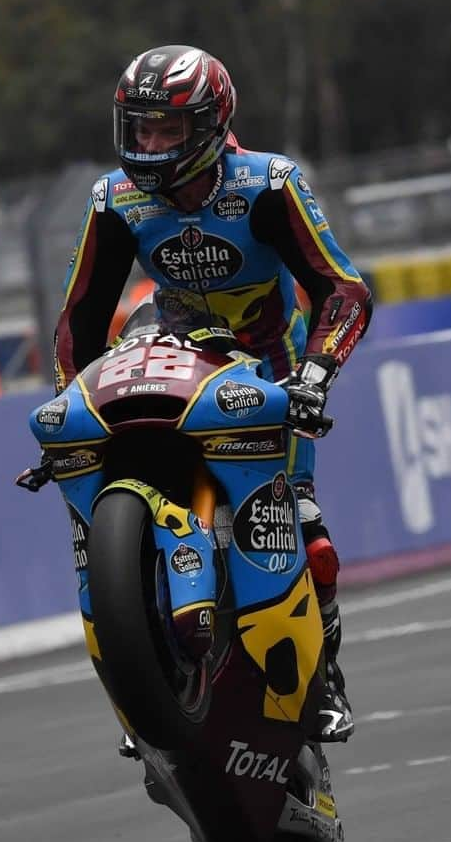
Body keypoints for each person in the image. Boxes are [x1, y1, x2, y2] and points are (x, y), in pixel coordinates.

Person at [53, 45, 373, 743]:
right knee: (110, 501)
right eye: (141, 129)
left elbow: (341, 289)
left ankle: (321, 680)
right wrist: (72, 400)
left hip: (267, 372)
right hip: (170, 366)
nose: (152, 145)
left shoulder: (268, 183)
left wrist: (316, 374)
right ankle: (148, 672)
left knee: (307, 528)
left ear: (210, 124)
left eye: (168, 130)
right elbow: (78, 317)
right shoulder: (114, 199)